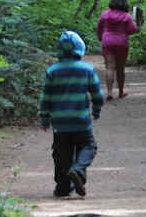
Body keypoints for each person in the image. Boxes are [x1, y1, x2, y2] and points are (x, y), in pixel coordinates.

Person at [39, 30, 104, 198]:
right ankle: (78, 170)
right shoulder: (87, 69)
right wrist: (96, 109)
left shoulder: (52, 71)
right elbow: (97, 93)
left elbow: (46, 97)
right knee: (89, 146)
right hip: (81, 120)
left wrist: (44, 118)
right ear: (80, 49)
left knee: (61, 154)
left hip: (60, 123)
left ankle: (62, 187)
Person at [96, 0, 139, 100]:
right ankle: (120, 91)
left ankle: (109, 92)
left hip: (107, 41)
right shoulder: (126, 16)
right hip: (121, 42)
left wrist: (100, 37)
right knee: (120, 68)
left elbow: (99, 27)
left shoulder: (105, 14)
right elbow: (133, 30)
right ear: (125, 4)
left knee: (109, 67)